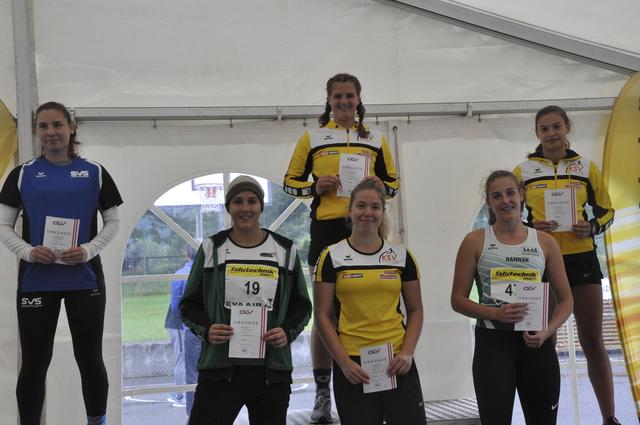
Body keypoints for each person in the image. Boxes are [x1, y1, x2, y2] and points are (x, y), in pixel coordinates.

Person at [283, 73, 399, 424]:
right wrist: (314, 187)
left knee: (371, 304)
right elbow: (289, 183)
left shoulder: (376, 138)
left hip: (368, 224)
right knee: (326, 314)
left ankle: (378, 381)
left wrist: (381, 185)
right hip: (327, 228)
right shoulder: (313, 137)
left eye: (350, 96)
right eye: (338, 96)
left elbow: (393, 186)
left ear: (359, 99)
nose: (344, 102)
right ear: (329, 100)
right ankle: (323, 392)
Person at [0, 101, 123, 425]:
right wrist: (28, 252)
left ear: (71, 128)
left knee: (90, 358)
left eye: (57, 124)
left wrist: (88, 250)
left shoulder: (94, 172)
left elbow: (112, 222)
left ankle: (97, 422)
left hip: (85, 280)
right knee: (34, 363)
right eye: (43, 126)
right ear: (36, 131)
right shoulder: (23, 174)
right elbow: (2, 224)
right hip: (36, 282)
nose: (51, 132)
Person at [513, 105, 618, 425]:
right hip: (540, 261)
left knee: (593, 341)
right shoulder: (523, 170)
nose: (551, 134)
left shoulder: (586, 167)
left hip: (581, 259)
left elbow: (607, 211)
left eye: (556, 127)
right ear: (537, 133)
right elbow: (506, 214)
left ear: (567, 127)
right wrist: (530, 229)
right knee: (542, 343)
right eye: (544, 129)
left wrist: (592, 227)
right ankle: (544, 419)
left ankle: (609, 417)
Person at [180, 175, 312, 425]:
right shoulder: (211, 248)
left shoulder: (285, 249)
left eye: (252, 201)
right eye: (238, 201)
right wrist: (207, 329)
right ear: (228, 206)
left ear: (261, 206)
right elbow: (188, 305)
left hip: (271, 372)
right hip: (219, 369)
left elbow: (302, 306)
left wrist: (286, 331)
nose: (245, 208)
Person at [451, 170, 573, 424]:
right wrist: (495, 313)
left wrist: (547, 332)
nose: (505, 200)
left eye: (510, 193)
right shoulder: (475, 241)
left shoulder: (545, 242)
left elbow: (566, 301)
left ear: (521, 195)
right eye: (497, 196)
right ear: (489, 202)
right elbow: (458, 300)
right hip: (493, 345)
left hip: (536, 343)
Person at [314, 179, 427, 425]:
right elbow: (322, 316)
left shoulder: (401, 256)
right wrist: (344, 363)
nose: (368, 212)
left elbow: (416, 310)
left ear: (383, 212)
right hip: (353, 366)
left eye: (375, 207)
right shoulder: (331, 256)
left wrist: (407, 353)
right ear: (349, 210)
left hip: (397, 362)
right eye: (361, 206)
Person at [164, 246, 196, 410]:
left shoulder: (181, 274)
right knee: (188, 360)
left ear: (186, 254)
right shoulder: (201, 272)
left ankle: (180, 395)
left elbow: (175, 303)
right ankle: (183, 393)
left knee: (181, 359)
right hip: (189, 323)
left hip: (180, 323)